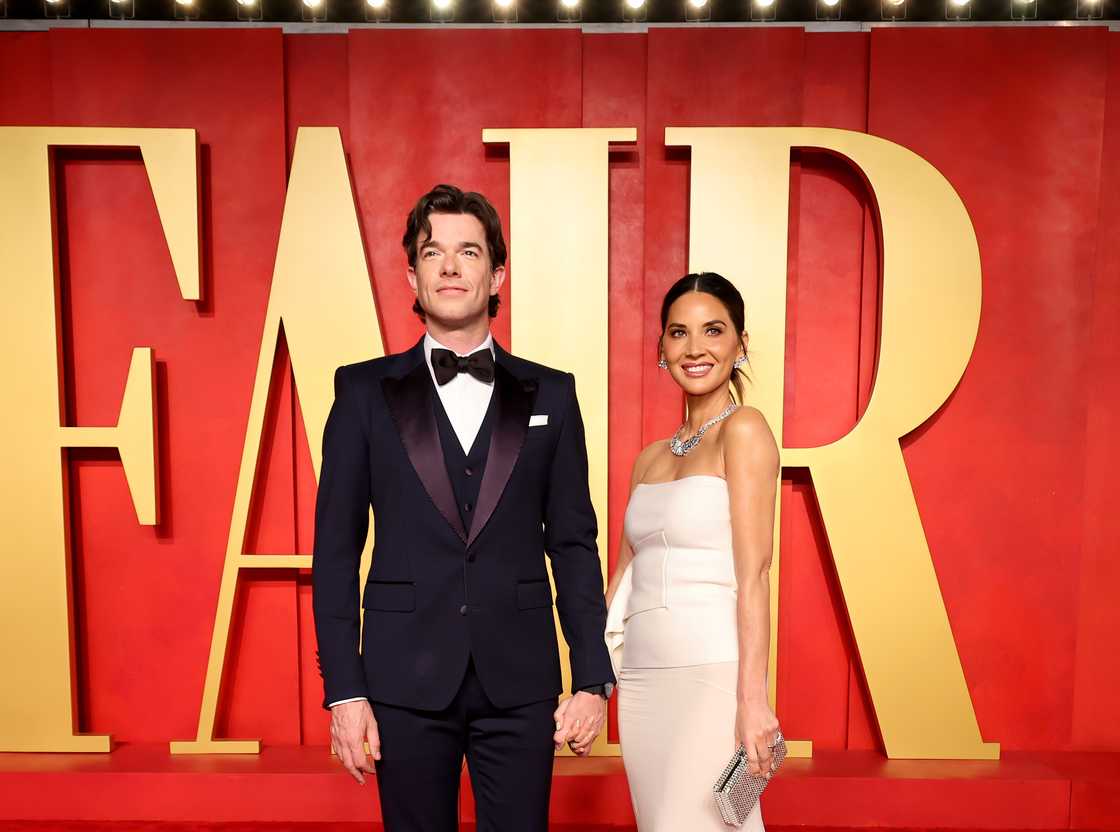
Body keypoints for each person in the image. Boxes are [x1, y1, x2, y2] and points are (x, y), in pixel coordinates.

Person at [311, 184, 615, 831]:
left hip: (521, 678)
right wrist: (346, 690)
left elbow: (573, 542)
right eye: (433, 252)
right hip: (402, 679)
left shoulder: (553, 395)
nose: (450, 266)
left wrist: (591, 678)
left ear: (496, 271)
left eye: (468, 251)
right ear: (412, 274)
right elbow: (335, 551)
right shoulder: (363, 391)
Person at [605, 272, 781, 831]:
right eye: (678, 333)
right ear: (662, 348)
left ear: (740, 344)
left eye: (713, 331)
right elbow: (624, 579)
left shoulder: (745, 430)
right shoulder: (649, 458)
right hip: (640, 680)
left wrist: (753, 701)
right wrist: (590, 683)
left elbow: (754, 575)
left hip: (710, 674)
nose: (695, 348)